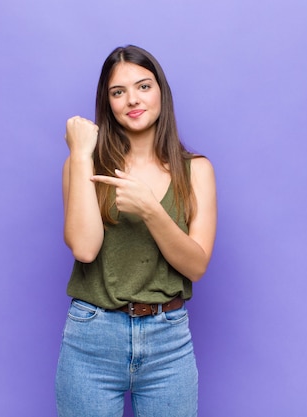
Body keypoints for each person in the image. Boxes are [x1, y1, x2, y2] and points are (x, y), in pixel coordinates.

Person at [55, 45, 217, 417]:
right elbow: (84, 248)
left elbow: (196, 266)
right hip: (92, 339)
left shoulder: (197, 171)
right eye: (118, 92)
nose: (132, 99)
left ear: (161, 91)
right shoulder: (82, 166)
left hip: (168, 342)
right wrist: (80, 156)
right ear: (107, 102)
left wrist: (149, 209)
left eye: (143, 86)